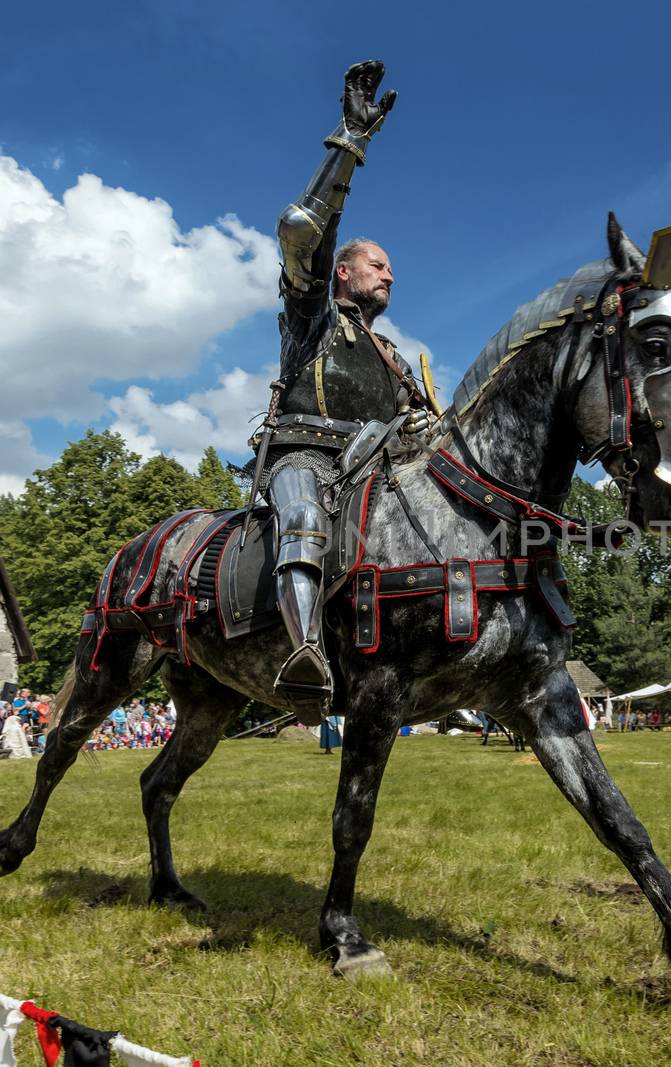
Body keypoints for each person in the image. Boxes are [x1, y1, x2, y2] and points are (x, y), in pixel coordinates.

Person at [263, 59, 434, 716]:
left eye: (392, 267)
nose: (390, 274)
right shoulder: (313, 315)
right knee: (303, 518)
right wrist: (350, 143)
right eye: (378, 264)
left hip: (373, 471)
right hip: (302, 457)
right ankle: (304, 653)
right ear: (342, 273)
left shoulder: (394, 357)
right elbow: (298, 229)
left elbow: (425, 435)